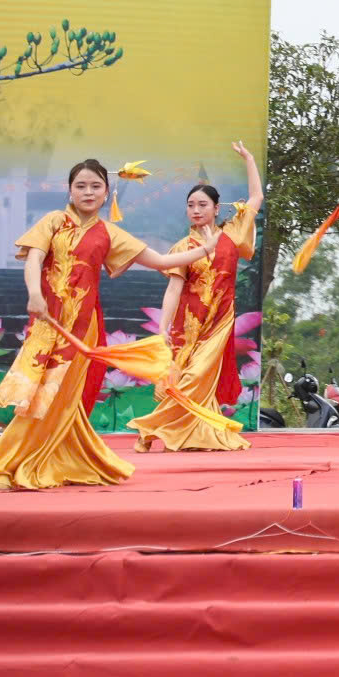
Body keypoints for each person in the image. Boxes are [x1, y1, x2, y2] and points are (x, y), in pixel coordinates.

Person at [0, 159, 218, 491]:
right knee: (38, 394)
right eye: (81, 186)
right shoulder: (54, 221)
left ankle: (41, 461)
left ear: (107, 192)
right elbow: (34, 258)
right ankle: (11, 463)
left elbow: (160, 261)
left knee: (60, 396)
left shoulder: (109, 232)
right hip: (49, 322)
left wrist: (206, 249)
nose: (88, 192)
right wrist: (34, 293)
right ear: (70, 190)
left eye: (95, 186)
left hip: (83, 327)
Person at [136, 139, 265, 453]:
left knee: (197, 377)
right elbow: (173, 288)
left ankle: (150, 428)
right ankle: (188, 433)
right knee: (186, 377)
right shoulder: (183, 248)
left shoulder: (232, 234)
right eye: (191, 205)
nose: (196, 210)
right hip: (189, 325)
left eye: (202, 205)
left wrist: (249, 159)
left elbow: (256, 197)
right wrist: (163, 328)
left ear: (216, 209)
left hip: (219, 322)